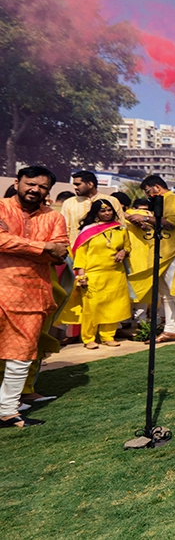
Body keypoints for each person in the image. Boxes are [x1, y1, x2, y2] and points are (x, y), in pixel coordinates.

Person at [0, 166, 68, 428]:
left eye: (42, 187)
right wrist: (43, 246)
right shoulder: (2, 207)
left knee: (21, 356)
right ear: (17, 182)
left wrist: (17, 244)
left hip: (30, 295)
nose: (35, 190)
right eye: (30, 184)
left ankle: (7, 411)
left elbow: (59, 252)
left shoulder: (54, 218)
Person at [127, 176, 175, 347]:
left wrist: (145, 218)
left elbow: (171, 223)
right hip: (165, 252)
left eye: (148, 191)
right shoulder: (162, 201)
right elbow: (162, 225)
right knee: (166, 294)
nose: (148, 195)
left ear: (157, 187)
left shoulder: (173, 199)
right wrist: (146, 224)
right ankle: (170, 330)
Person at [71, 199, 131, 349]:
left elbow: (128, 246)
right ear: (96, 213)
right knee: (91, 308)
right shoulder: (88, 231)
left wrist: (123, 252)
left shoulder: (120, 229)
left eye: (109, 210)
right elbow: (80, 255)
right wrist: (81, 275)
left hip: (116, 274)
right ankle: (88, 338)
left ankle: (108, 336)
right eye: (103, 211)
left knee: (113, 306)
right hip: (93, 274)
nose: (107, 213)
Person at [59, 170, 124, 246]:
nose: (75, 187)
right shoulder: (69, 203)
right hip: (78, 249)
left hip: (107, 250)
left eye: (78, 184)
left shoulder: (112, 201)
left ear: (90, 184)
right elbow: (63, 229)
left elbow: (121, 227)